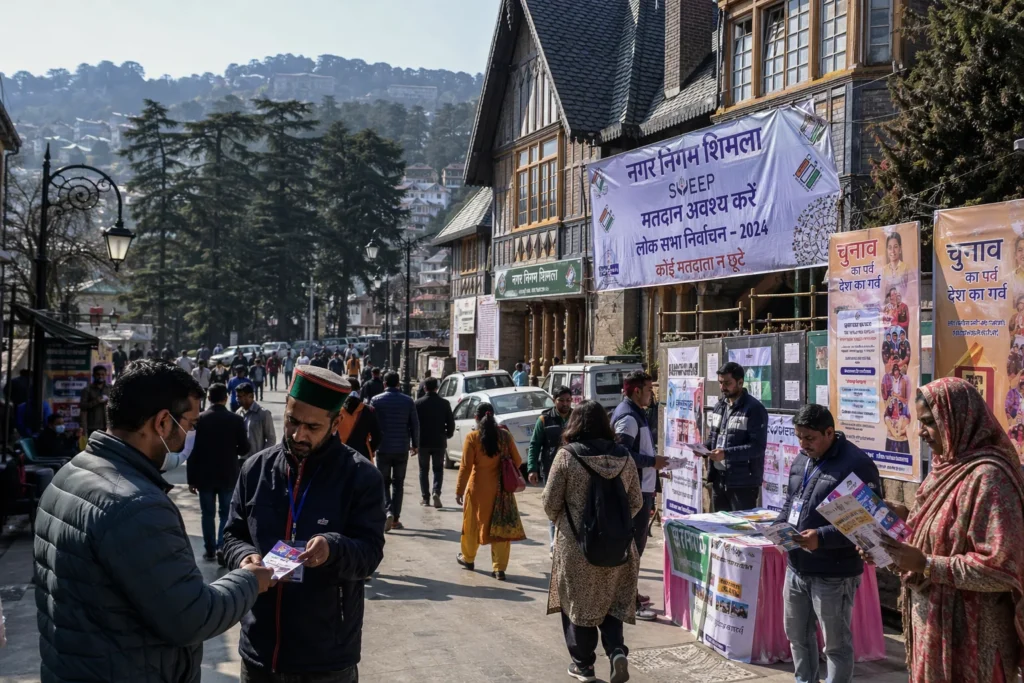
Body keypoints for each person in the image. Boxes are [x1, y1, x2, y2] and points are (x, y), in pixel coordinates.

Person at [33, 360, 274, 682]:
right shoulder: (137, 506)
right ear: (162, 422)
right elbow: (192, 617)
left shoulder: (70, 473)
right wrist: (249, 581)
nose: (189, 436)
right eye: (189, 424)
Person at [222, 364, 386, 682]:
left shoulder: (361, 477)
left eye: (312, 427)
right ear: (285, 407)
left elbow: (370, 553)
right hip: (260, 649)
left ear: (335, 423)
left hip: (326, 655)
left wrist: (332, 548)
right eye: (293, 421)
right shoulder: (255, 470)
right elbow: (232, 534)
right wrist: (244, 556)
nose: (299, 435)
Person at [877, 378, 1024, 682]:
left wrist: (927, 564)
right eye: (920, 422)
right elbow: (931, 538)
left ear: (959, 419)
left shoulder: (989, 478)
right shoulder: (943, 469)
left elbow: (1001, 568)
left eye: (930, 423)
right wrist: (891, 543)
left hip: (973, 637)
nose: (921, 432)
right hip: (931, 628)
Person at [775, 403, 881, 683]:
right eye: (799, 437)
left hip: (834, 572)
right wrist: (779, 525)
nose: (803, 444)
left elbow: (868, 522)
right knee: (797, 636)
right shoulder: (803, 459)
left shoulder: (856, 464)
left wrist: (821, 538)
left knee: (836, 645)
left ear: (829, 432)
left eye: (809, 438)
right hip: (797, 565)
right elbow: (792, 500)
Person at [543, 400, 641, 683]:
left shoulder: (567, 456)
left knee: (578, 604)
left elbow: (550, 503)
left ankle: (583, 665)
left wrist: (568, 521)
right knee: (611, 601)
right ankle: (616, 651)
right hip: (619, 548)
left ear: (574, 424)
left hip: (577, 549)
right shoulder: (624, 456)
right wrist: (612, 525)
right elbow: (635, 501)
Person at [611, 370, 668, 621]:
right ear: (636, 391)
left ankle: (630, 593)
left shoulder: (636, 413)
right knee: (633, 549)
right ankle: (628, 603)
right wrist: (652, 462)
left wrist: (655, 466)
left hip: (642, 489)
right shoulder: (628, 417)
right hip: (633, 493)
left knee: (635, 549)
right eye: (648, 389)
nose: (651, 394)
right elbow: (621, 454)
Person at [455, 401, 523, 580]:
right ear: (493, 416)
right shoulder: (505, 436)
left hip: (477, 490)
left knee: (471, 525)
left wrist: (459, 490)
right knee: (501, 528)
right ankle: (499, 569)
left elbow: (465, 467)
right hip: (501, 491)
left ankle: (468, 558)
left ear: (476, 418)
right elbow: (517, 461)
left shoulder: (472, 437)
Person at [188, 383, 250, 565]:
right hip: (228, 474)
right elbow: (245, 448)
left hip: (204, 476)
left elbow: (192, 451)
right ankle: (222, 546)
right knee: (225, 513)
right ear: (226, 398)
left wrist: (191, 479)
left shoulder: (199, 420)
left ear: (208, 398)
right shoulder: (236, 420)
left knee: (207, 513)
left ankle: (209, 549)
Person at [703, 361, 768, 512]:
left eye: (727, 383)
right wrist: (704, 448)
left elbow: (757, 447)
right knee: (720, 524)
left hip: (743, 483)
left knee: (741, 525)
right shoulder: (719, 406)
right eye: (720, 383)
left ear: (740, 382)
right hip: (719, 480)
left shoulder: (754, 409)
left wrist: (726, 454)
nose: (722, 387)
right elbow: (715, 437)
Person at [371, 371, 419, 531]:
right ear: (398, 384)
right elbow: (414, 425)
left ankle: (388, 511)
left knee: (383, 482)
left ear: (384, 384)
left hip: (383, 448)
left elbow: (372, 425)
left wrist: (372, 446)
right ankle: (396, 519)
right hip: (401, 448)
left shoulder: (376, 401)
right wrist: (415, 444)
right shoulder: (408, 401)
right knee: (399, 483)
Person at [528, 385, 573, 555]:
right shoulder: (544, 420)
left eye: (568, 400)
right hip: (551, 470)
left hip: (574, 470)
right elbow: (534, 445)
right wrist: (532, 469)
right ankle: (554, 545)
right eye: (561, 400)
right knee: (554, 507)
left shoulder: (577, 418)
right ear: (554, 400)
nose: (565, 404)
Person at [415, 377, 455, 508]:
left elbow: (413, 424)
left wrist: (413, 442)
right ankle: (436, 491)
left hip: (423, 442)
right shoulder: (444, 403)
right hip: (439, 441)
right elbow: (451, 422)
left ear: (424, 388)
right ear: (437, 388)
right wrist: (448, 434)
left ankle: (425, 498)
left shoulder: (418, 404)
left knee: (423, 470)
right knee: (438, 469)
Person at [338, 379, 382, 461]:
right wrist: (370, 449)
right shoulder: (369, 410)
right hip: (363, 456)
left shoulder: (337, 410)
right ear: (359, 391)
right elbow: (377, 437)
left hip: (340, 456)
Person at [237, 382, 276, 456]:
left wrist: (262, 457)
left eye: (240, 396)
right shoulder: (238, 413)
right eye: (237, 396)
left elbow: (271, 439)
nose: (237, 399)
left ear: (250, 396)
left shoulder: (263, 413)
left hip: (257, 459)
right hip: (242, 459)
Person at [79, 365, 110, 436]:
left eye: (102, 374)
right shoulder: (87, 390)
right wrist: (96, 401)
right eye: (98, 374)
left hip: (108, 425)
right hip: (93, 426)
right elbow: (82, 406)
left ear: (106, 375)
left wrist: (109, 401)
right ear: (93, 375)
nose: (100, 376)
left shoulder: (110, 388)